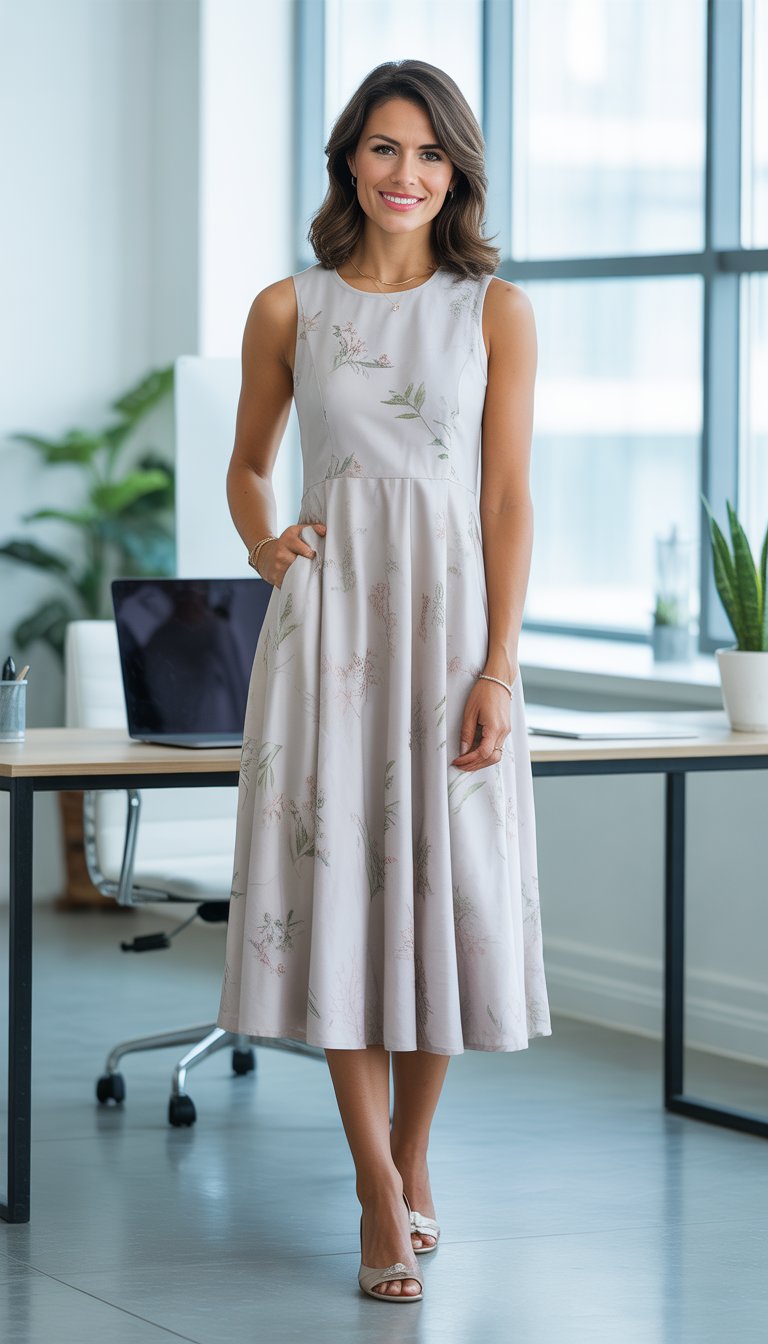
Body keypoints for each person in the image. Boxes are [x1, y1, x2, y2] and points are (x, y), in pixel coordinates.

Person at [216, 58, 552, 1303]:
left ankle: (414, 1153)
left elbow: (507, 500)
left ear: (456, 169)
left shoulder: (494, 312)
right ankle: (373, 1185)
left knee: (443, 903)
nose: (406, 175)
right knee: (345, 905)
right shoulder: (287, 309)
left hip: (454, 638)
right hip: (330, 634)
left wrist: (500, 667)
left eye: (429, 154)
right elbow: (250, 466)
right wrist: (266, 546)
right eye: (382, 149)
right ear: (348, 163)